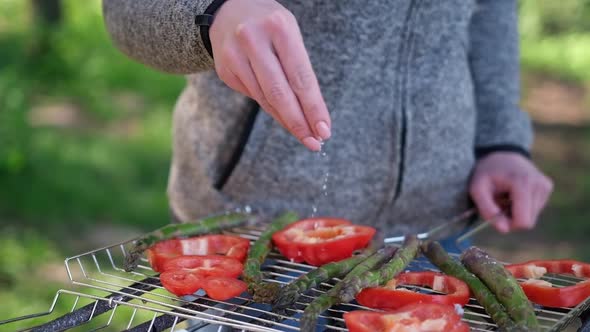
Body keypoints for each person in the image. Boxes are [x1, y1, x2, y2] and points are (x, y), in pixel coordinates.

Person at [102, 0, 553, 238]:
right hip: (256, 231)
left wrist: (500, 143)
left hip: (436, 227)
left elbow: (490, 10)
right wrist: (211, 12)